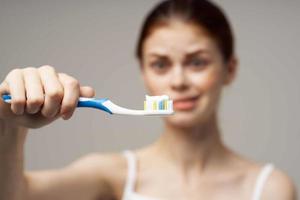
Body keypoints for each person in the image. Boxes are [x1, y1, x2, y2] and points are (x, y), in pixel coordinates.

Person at [0, 0, 297, 200]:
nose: (178, 81)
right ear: (143, 72)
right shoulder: (109, 174)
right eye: (160, 64)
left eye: (197, 63)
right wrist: (9, 125)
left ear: (229, 70)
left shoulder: (270, 188)